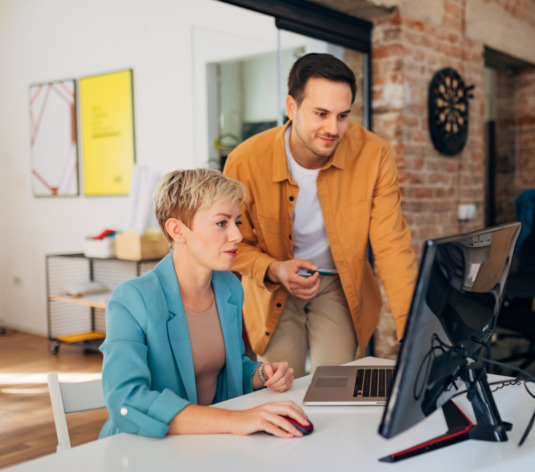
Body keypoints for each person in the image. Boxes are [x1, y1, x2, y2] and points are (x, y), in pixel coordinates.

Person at [224, 53, 417, 377]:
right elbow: (233, 244)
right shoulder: (245, 161)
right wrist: (273, 268)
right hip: (273, 289)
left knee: (337, 386)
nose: (333, 128)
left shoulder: (374, 154)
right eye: (321, 114)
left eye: (343, 116)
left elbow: (392, 246)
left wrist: (414, 332)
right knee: (283, 387)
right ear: (291, 107)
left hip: (338, 285)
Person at [99, 168, 310, 439]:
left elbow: (220, 370)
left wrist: (259, 373)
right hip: (140, 447)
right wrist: (236, 420)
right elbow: (126, 402)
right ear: (177, 230)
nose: (237, 236)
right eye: (222, 223)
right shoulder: (131, 300)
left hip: (207, 443)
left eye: (237, 222)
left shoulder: (229, 288)